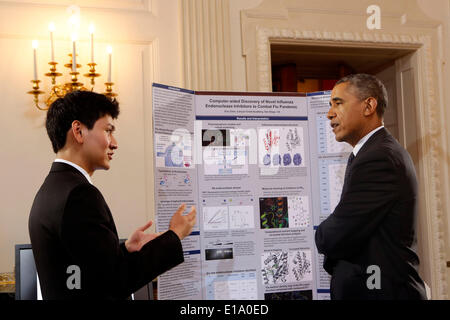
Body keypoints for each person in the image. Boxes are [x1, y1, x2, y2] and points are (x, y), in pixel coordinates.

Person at [29, 91, 196, 300]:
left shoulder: (51, 189)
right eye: (108, 131)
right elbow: (116, 281)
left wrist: (125, 250)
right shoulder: (79, 195)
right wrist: (175, 234)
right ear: (78, 131)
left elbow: (85, 270)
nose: (114, 143)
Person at [315, 74, 427, 300]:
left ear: (368, 106)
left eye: (338, 103)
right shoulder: (370, 153)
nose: (329, 114)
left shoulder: (379, 158)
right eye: (330, 105)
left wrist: (322, 232)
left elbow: (334, 235)